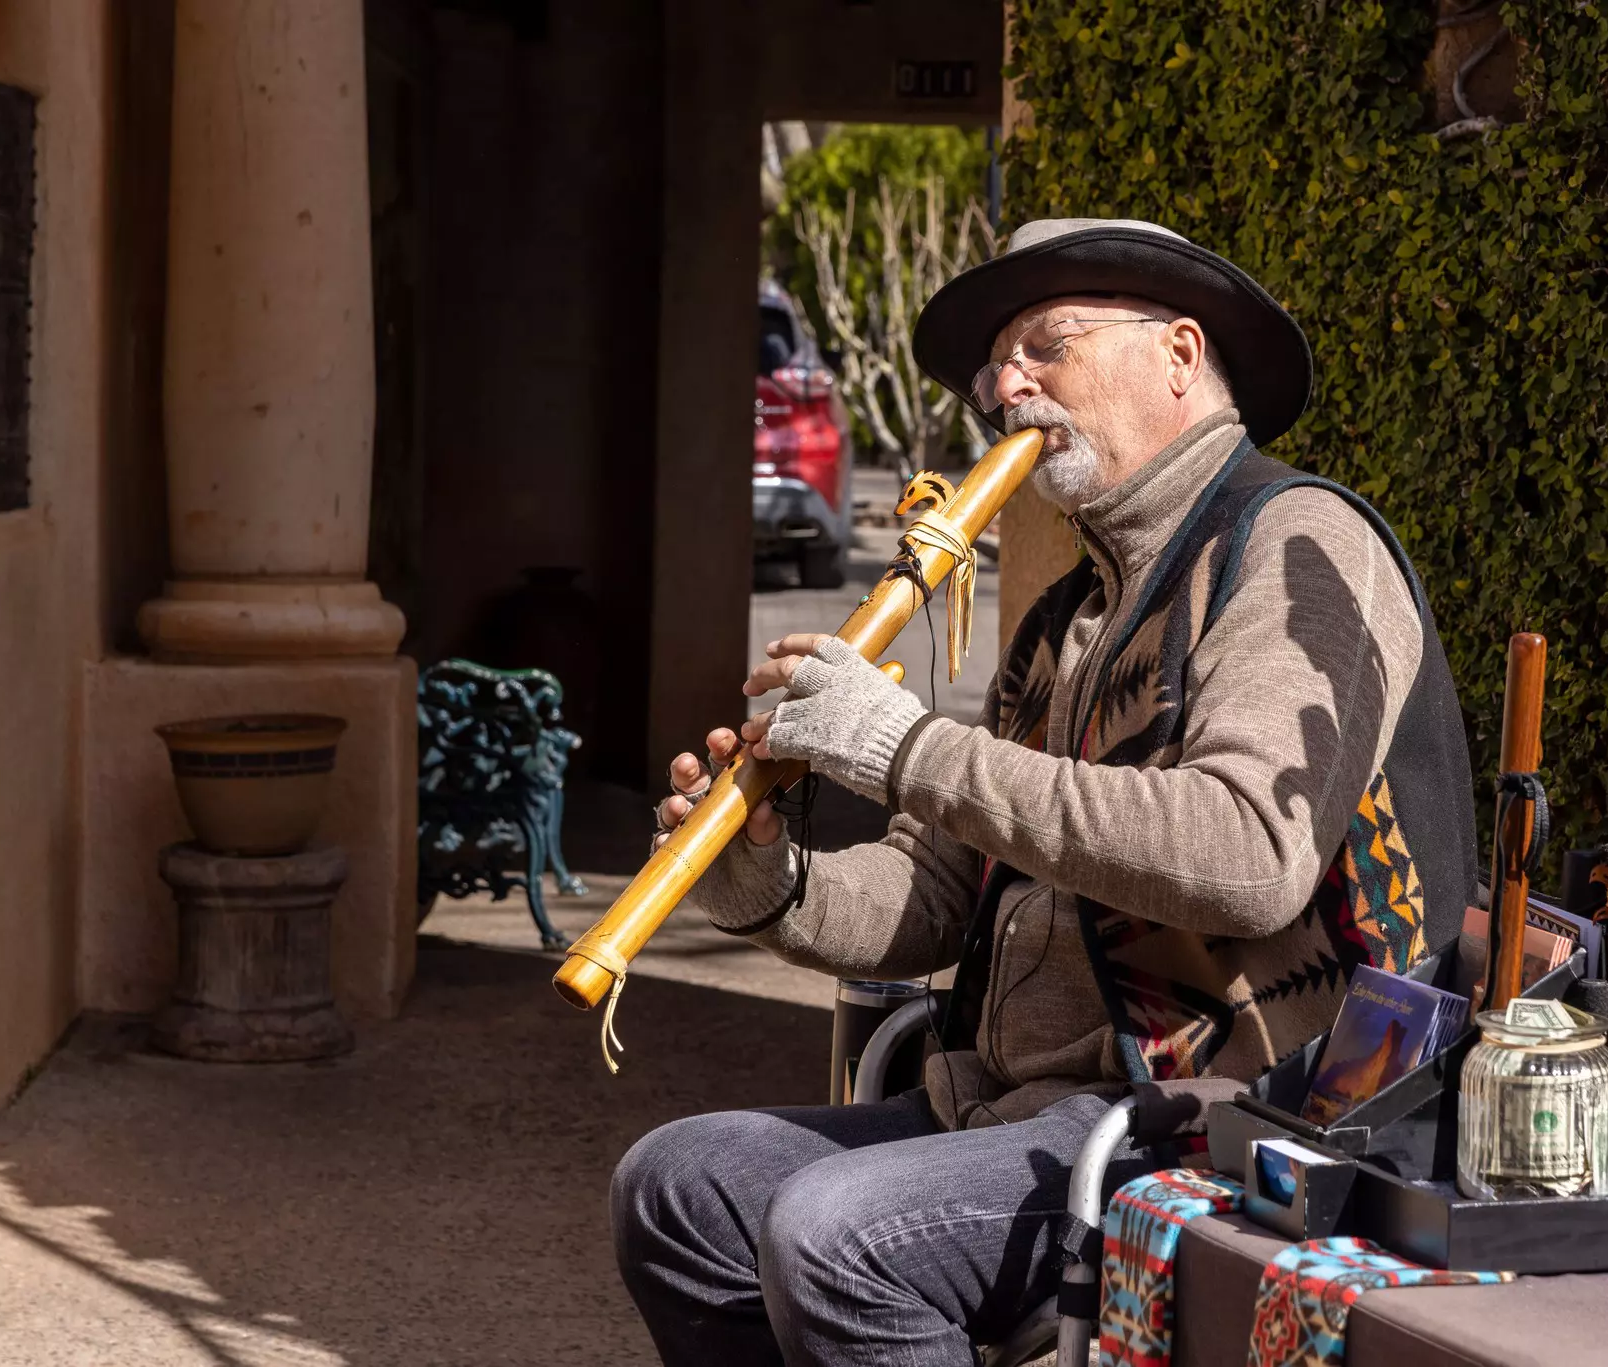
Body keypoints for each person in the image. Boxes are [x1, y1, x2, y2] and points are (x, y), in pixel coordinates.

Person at [611, 218, 1476, 1365]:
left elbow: (1248, 851)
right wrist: (764, 877)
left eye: (1046, 346)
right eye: (994, 369)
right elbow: (932, 896)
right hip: (1003, 1111)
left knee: (835, 1237)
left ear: (1177, 354)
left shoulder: (1295, 543)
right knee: (678, 1183)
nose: (1006, 386)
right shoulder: (1062, 618)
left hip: (1211, 1123)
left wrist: (905, 746)